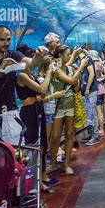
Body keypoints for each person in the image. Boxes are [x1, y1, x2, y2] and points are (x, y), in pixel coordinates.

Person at [0, 25, 47, 145]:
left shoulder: (14, 55)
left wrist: (38, 55)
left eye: (8, 40)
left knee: (16, 151)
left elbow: (32, 64)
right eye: (2, 40)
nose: (6, 43)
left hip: (10, 112)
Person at [16, 46, 56, 192]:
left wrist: (38, 95)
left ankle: (39, 179)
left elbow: (42, 95)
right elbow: (43, 90)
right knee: (32, 145)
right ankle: (31, 183)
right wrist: (50, 72)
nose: (35, 62)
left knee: (42, 144)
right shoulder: (22, 76)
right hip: (29, 113)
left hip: (38, 109)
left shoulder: (31, 75)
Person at [47, 45, 88, 175]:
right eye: (68, 54)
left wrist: (77, 75)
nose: (69, 56)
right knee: (55, 137)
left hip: (70, 105)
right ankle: (53, 164)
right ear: (60, 55)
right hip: (58, 107)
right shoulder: (56, 70)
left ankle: (66, 164)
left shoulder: (70, 68)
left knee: (70, 134)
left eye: (70, 54)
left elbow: (76, 87)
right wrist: (81, 67)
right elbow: (70, 80)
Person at [36, 56, 64, 187]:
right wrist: (55, 95)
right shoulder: (42, 79)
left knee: (47, 143)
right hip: (45, 114)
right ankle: (42, 176)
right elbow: (40, 98)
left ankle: (43, 174)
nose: (55, 68)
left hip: (50, 113)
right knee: (44, 144)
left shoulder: (50, 79)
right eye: (53, 65)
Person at [80, 48, 100, 146]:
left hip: (91, 91)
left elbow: (92, 73)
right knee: (88, 114)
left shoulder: (87, 59)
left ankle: (95, 136)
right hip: (85, 92)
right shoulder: (81, 61)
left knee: (92, 113)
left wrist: (87, 88)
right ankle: (91, 134)